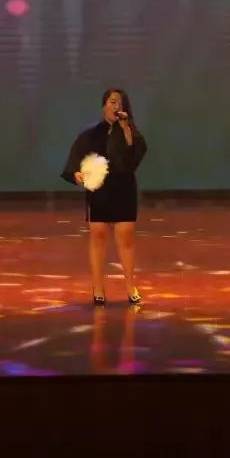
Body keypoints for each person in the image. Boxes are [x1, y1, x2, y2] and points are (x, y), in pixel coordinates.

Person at [61, 89, 148, 306]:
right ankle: (98, 287)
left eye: (120, 103)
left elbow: (135, 156)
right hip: (99, 191)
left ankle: (130, 286)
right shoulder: (90, 135)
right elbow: (75, 161)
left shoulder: (131, 132)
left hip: (123, 189)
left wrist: (125, 128)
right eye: (112, 102)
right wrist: (76, 173)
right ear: (104, 107)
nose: (116, 106)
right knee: (98, 236)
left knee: (126, 238)